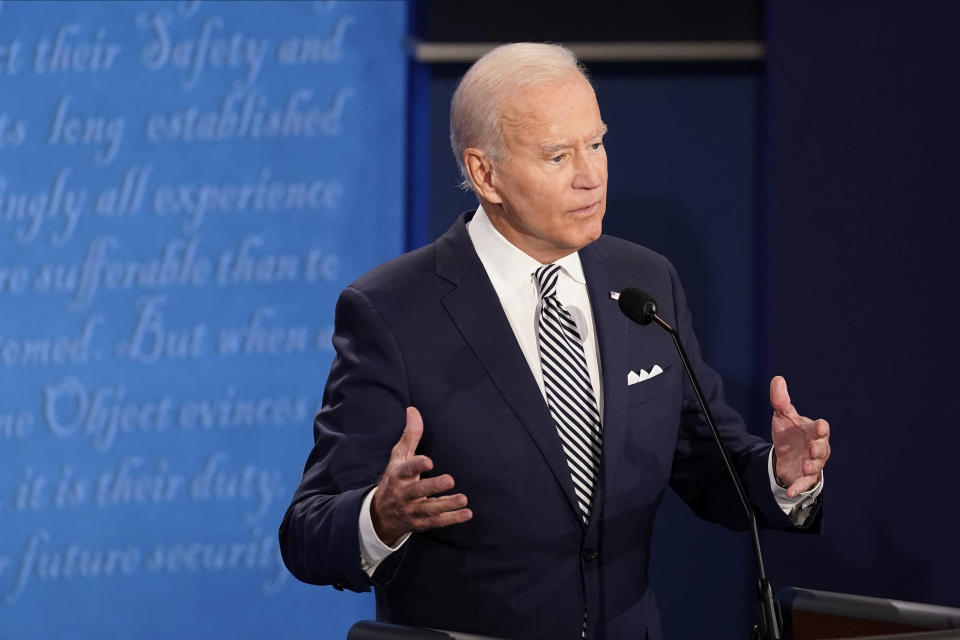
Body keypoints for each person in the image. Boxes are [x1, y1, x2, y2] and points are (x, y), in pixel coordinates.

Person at [279, 43, 830, 640]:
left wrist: (782, 474)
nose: (591, 175)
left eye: (596, 143)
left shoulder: (645, 281)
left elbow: (707, 464)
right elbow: (307, 532)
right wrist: (380, 518)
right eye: (557, 155)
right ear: (485, 173)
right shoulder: (390, 311)